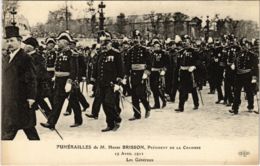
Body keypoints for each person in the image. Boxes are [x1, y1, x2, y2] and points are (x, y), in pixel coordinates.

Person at [2, 26, 39, 140]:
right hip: (9, 100)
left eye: (12, 40)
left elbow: (32, 79)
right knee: (24, 128)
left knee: (18, 129)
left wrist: (31, 98)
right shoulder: (7, 58)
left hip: (21, 100)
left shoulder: (25, 58)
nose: (9, 44)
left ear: (19, 41)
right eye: (7, 41)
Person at [40, 31, 80, 129]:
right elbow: (57, 67)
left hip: (67, 82)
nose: (58, 43)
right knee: (58, 102)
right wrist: (55, 76)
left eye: (60, 41)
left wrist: (70, 81)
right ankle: (51, 122)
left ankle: (78, 120)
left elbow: (74, 70)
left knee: (73, 102)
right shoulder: (59, 53)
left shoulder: (72, 54)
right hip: (59, 82)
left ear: (65, 42)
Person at [91, 31, 124, 132]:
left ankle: (117, 119)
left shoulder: (116, 54)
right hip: (101, 83)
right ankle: (110, 124)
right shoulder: (101, 54)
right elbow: (97, 67)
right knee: (104, 105)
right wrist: (93, 78)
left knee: (109, 103)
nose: (104, 46)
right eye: (103, 44)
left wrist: (119, 82)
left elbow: (121, 69)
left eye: (106, 43)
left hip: (111, 83)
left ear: (110, 43)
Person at [125, 30, 152, 120]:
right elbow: (127, 64)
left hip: (141, 74)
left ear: (140, 39)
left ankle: (147, 107)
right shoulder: (130, 51)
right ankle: (137, 114)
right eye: (134, 38)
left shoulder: (145, 50)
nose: (136, 40)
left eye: (137, 38)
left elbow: (149, 63)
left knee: (140, 93)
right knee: (134, 95)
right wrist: (126, 75)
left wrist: (146, 73)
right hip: (133, 74)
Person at [23, 37, 52, 117]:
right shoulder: (26, 57)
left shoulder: (38, 57)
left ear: (31, 47)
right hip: (31, 84)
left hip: (37, 84)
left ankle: (50, 116)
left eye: (26, 44)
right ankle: (50, 116)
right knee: (37, 101)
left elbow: (39, 72)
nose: (24, 46)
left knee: (38, 100)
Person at [229, 39, 259, 115]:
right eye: (242, 46)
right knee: (236, 92)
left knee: (249, 92)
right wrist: (233, 66)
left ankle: (250, 106)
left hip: (247, 75)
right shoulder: (238, 54)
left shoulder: (252, 55)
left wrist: (254, 78)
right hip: (238, 75)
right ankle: (235, 108)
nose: (244, 47)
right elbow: (235, 63)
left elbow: (255, 68)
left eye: (245, 46)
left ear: (248, 46)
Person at [175, 36, 200, 112]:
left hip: (191, 72)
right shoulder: (181, 52)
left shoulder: (194, 52)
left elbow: (198, 61)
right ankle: (181, 107)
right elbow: (178, 63)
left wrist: (194, 66)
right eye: (185, 43)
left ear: (190, 43)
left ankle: (196, 103)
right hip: (183, 72)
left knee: (193, 89)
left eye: (187, 43)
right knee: (182, 89)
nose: (186, 44)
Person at [150, 38, 168, 109]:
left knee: (157, 87)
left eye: (158, 46)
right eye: (155, 46)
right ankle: (157, 103)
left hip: (160, 72)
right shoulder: (151, 53)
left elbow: (167, 63)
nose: (156, 47)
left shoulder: (163, 53)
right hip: (152, 72)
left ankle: (163, 99)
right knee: (153, 88)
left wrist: (164, 70)